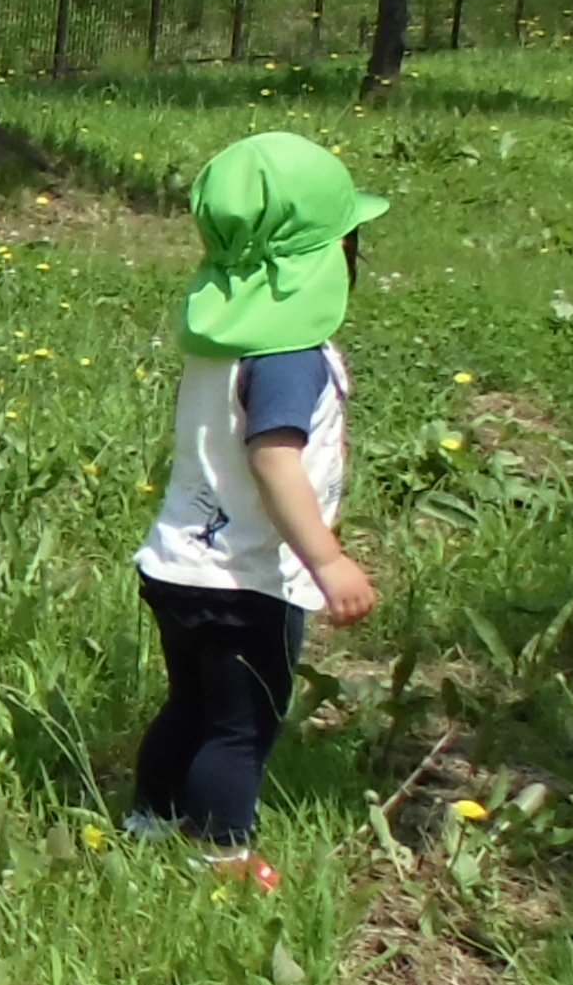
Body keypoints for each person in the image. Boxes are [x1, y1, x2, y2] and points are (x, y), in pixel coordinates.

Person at [132, 129, 385, 867]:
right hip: (246, 582)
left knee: (190, 703)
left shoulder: (219, 342)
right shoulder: (288, 358)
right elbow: (274, 461)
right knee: (241, 727)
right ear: (332, 257)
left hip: (176, 566)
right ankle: (223, 857)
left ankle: (149, 821)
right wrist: (328, 560)